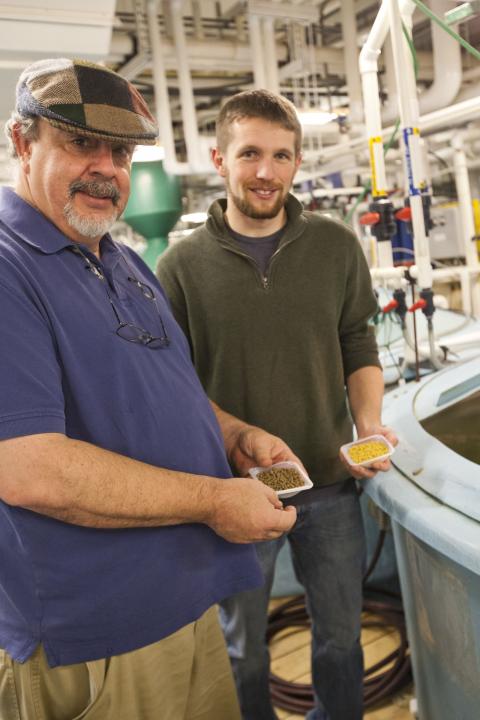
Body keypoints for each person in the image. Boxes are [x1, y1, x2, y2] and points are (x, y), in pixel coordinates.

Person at [0, 61, 300, 720]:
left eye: (122, 152)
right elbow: (28, 469)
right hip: (95, 638)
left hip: (184, 606)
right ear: (23, 144)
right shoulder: (8, 266)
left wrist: (234, 437)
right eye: (81, 143)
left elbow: (169, 390)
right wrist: (216, 500)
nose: (106, 168)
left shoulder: (123, 260)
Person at [156, 89, 398, 720]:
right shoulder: (179, 267)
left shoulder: (336, 247)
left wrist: (368, 424)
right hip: (235, 494)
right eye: (250, 154)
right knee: (242, 648)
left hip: (329, 481)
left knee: (342, 639)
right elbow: (173, 383)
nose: (266, 171)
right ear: (219, 158)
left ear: (297, 163)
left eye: (281, 156)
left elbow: (358, 340)